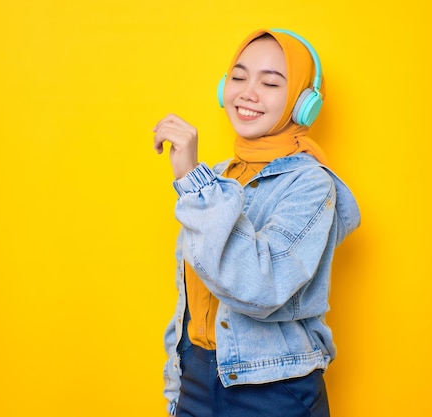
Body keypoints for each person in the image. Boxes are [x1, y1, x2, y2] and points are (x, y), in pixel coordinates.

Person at [153, 28, 360, 417]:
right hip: (197, 379)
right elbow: (192, 302)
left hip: (273, 390)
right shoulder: (217, 180)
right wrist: (177, 380)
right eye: (238, 76)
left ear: (303, 104)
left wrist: (194, 184)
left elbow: (259, 287)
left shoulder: (311, 185)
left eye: (269, 83)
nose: (248, 92)